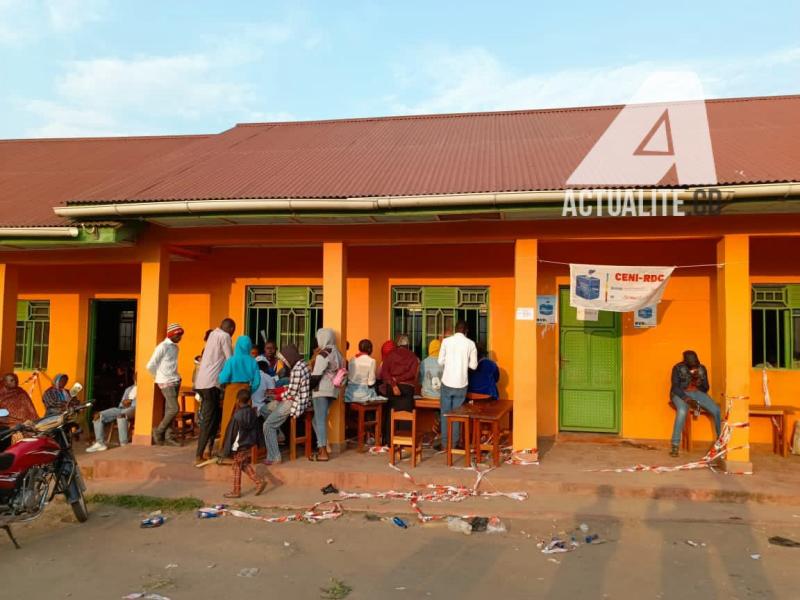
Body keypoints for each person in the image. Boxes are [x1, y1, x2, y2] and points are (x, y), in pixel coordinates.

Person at [194, 318, 235, 463]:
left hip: (202, 383)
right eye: (233, 332)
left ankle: (208, 450)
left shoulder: (213, 334)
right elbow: (231, 360)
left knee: (215, 417)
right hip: (211, 384)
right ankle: (199, 454)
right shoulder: (224, 337)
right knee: (209, 420)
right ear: (230, 329)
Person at [261, 344, 310, 464]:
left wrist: (276, 396)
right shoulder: (302, 365)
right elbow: (291, 387)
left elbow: (291, 394)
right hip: (294, 399)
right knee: (264, 409)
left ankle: (274, 456)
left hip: (294, 402)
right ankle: (279, 433)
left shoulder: (297, 369)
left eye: (285, 359)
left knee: (268, 425)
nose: (284, 362)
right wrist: (277, 392)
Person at [669, 350, 721, 457]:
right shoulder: (678, 368)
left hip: (697, 392)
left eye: (695, 361)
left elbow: (706, 388)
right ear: (685, 361)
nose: (694, 364)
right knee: (682, 411)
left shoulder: (701, 368)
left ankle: (720, 442)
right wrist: (687, 399)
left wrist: (699, 383)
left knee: (716, 410)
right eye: (691, 362)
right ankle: (675, 445)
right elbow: (675, 387)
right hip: (679, 394)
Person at [437, 320, 478, 450]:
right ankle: (454, 444)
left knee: (445, 413)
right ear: (466, 331)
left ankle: (445, 444)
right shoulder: (471, 344)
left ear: (455, 329)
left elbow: (440, 361)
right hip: (461, 383)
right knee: (456, 415)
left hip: (447, 382)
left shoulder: (446, 341)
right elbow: (473, 365)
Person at [221, 388, 266, 498]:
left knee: (237, 466)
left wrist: (226, 450)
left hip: (239, 445)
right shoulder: (253, 412)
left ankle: (237, 491)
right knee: (244, 464)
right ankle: (259, 481)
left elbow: (231, 433)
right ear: (249, 400)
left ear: (237, 401)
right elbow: (257, 429)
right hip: (249, 443)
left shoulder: (237, 416)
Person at [309, 328, 345, 461]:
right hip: (334, 390)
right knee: (317, 420)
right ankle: (322, 446)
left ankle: (323, 452)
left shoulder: (323, 354)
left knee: (320, 420)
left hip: (321, 390)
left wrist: (307, 387)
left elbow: (316, 375)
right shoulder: (338, 353)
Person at [218, 335, 261, 443]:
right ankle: (244, 446)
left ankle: (225, 445)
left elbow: (222, 378)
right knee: (245, 421)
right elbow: (257, 382)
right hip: (245, 392)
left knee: (228, 418)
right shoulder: (253, 362)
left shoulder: (231, 361)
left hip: (231, 391)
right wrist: (250, 391)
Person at [147, 323, 184, 446]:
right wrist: (158, 377)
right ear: (172, 335)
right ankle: (158, 431)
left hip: (175, 379)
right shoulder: (162, 347)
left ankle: (169, 437)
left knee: (170, 409)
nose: (180, 338)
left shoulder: (175, 348)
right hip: (165, 381)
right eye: (178, 335)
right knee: (174, 408)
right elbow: (150, 365)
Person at [380, 335, 420, 444]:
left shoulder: (390, 355)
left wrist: (394, 384)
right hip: (407, 388)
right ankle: (405, 441)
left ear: (398, 345)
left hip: (392, 388)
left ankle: (389, 441)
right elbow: (412, 374)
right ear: (407, 345)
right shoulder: (413, 357)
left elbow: (384, 373)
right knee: (406, 414)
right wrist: (398, 380)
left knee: (390, 414)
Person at [86, 374, 137, 452]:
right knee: (98, 415)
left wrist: (131, 402)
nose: (135, 378)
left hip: (134, 409)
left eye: (137, 377)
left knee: (121, 415)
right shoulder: (129, 389)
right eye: (135, 377)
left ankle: (124, 444)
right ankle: (100, 443)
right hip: (122, 408)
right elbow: (121, 403)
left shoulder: (144, 388)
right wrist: (124, 403)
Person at [0, 373, 39, 450]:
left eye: (15, 380)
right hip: (6, 424)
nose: (15, 382)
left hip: (25, 422)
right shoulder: (1, 393)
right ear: (5, 382)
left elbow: (30, 408)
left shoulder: (21, 392)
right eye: (11, 380)